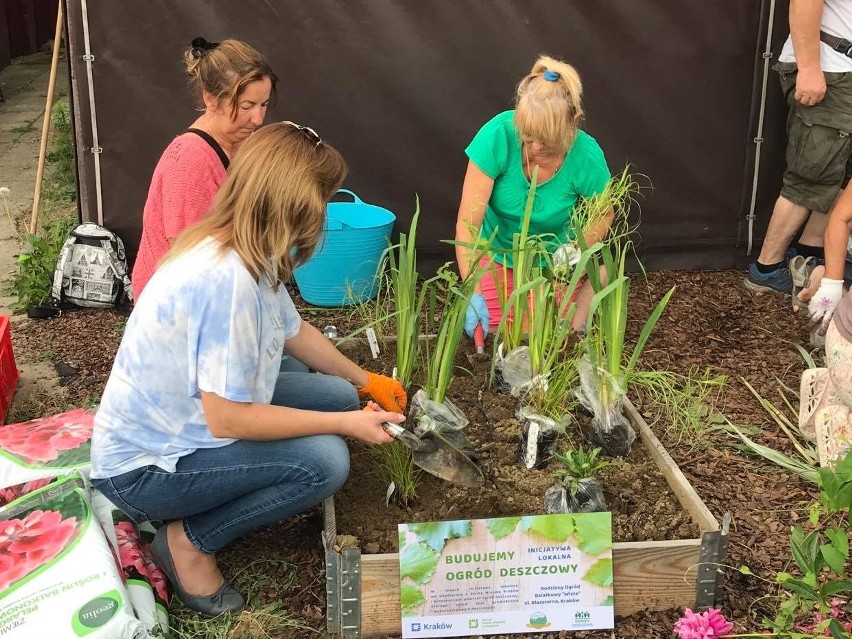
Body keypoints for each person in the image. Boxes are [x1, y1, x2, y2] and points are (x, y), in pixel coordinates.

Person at [90, 123, 407, 617]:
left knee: (338, 395)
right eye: (321, 201)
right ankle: (189, 543)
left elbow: (294, 333)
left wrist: (366, 382)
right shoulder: (225, 282)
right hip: (147, 471)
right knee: (325, 460)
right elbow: (229, 420)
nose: (324, 215)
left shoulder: (243, 246)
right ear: (292, 205)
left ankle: (333, 417)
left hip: (189, 414)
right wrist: (345, 426)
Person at [454, 55, 612, 339]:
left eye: (547, 139)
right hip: (498, 254)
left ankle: (593, 282)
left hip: (552, 260)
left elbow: (604, 213)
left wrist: (575, 249)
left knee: (547, 334)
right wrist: (472, 292)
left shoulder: (586, 155)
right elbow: (468, 226)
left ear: (572, 124)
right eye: (529, 135)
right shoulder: (497, 136)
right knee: (500, 330)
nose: (537, 146)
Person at [132, 37, 276, 299]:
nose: (258, 119)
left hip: (225, 284)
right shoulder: (189, 160)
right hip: (176, 303)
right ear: (211, 100)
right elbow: (190, 262)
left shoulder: (245, 142)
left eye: (263, 104)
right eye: (246, 106)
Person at [744, 0, 852, 295]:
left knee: (842, 174)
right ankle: (766, 269)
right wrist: (809, 68)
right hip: (830, 69)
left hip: (843, 72)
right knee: (811, 174)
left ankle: (808, 253)